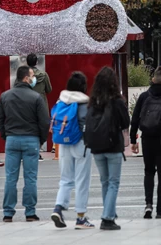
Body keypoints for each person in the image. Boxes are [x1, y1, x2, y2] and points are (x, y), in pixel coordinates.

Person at [0, 66, 50, 222]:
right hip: (31, 140)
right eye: (32, 75)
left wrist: (6, 135)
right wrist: (41, 140)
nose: (34, 78)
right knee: (31, 178)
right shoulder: (36, 97)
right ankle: (30, 212)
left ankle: (8, 212)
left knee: (10, 178)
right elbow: (44, 122)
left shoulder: (5, 96)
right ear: (26, 78)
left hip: (12, 140)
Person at [85, 67, 130, 231]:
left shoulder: (93, 101)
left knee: (105, 181)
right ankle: (108, 217)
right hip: (113, 146)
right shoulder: (116, 101)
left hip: (96, 147)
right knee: (113, 182)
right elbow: (125, 122)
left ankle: (108, 211)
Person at [50, 72, 94, 229]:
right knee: (82, 180)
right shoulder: (85, 103)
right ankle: (81, 217)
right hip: (81, 144)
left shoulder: (61, 99)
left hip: (63, 143)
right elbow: (88, 123)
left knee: (66, 179)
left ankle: (58, 208)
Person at [130, 66, 161, 220]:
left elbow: (135, 118)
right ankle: (160, 210)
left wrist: (133, 140)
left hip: (147, 139)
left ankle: (148, 205)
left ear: (154, 78)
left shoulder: (144, 96)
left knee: (149, 172)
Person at [26, 53, 52, 160]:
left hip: (28, 104)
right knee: (41, 127)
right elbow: (49, 90)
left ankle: (29, 150)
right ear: (37, 62)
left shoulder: (25, 76)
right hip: (41, 103)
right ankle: (37, 148)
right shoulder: (44, 75)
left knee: (29, 127)